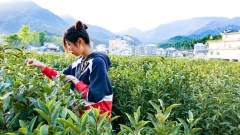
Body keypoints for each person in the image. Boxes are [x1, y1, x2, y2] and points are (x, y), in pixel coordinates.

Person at [25, 21, 113, 117]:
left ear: (79, 41)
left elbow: (94, 96)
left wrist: (74, 80)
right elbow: (61, 78)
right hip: (81, 120)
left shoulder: (97, 62)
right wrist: (41, 66)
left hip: (96, 123)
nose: (68, 48)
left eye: (68, 44)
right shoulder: (79, 61)